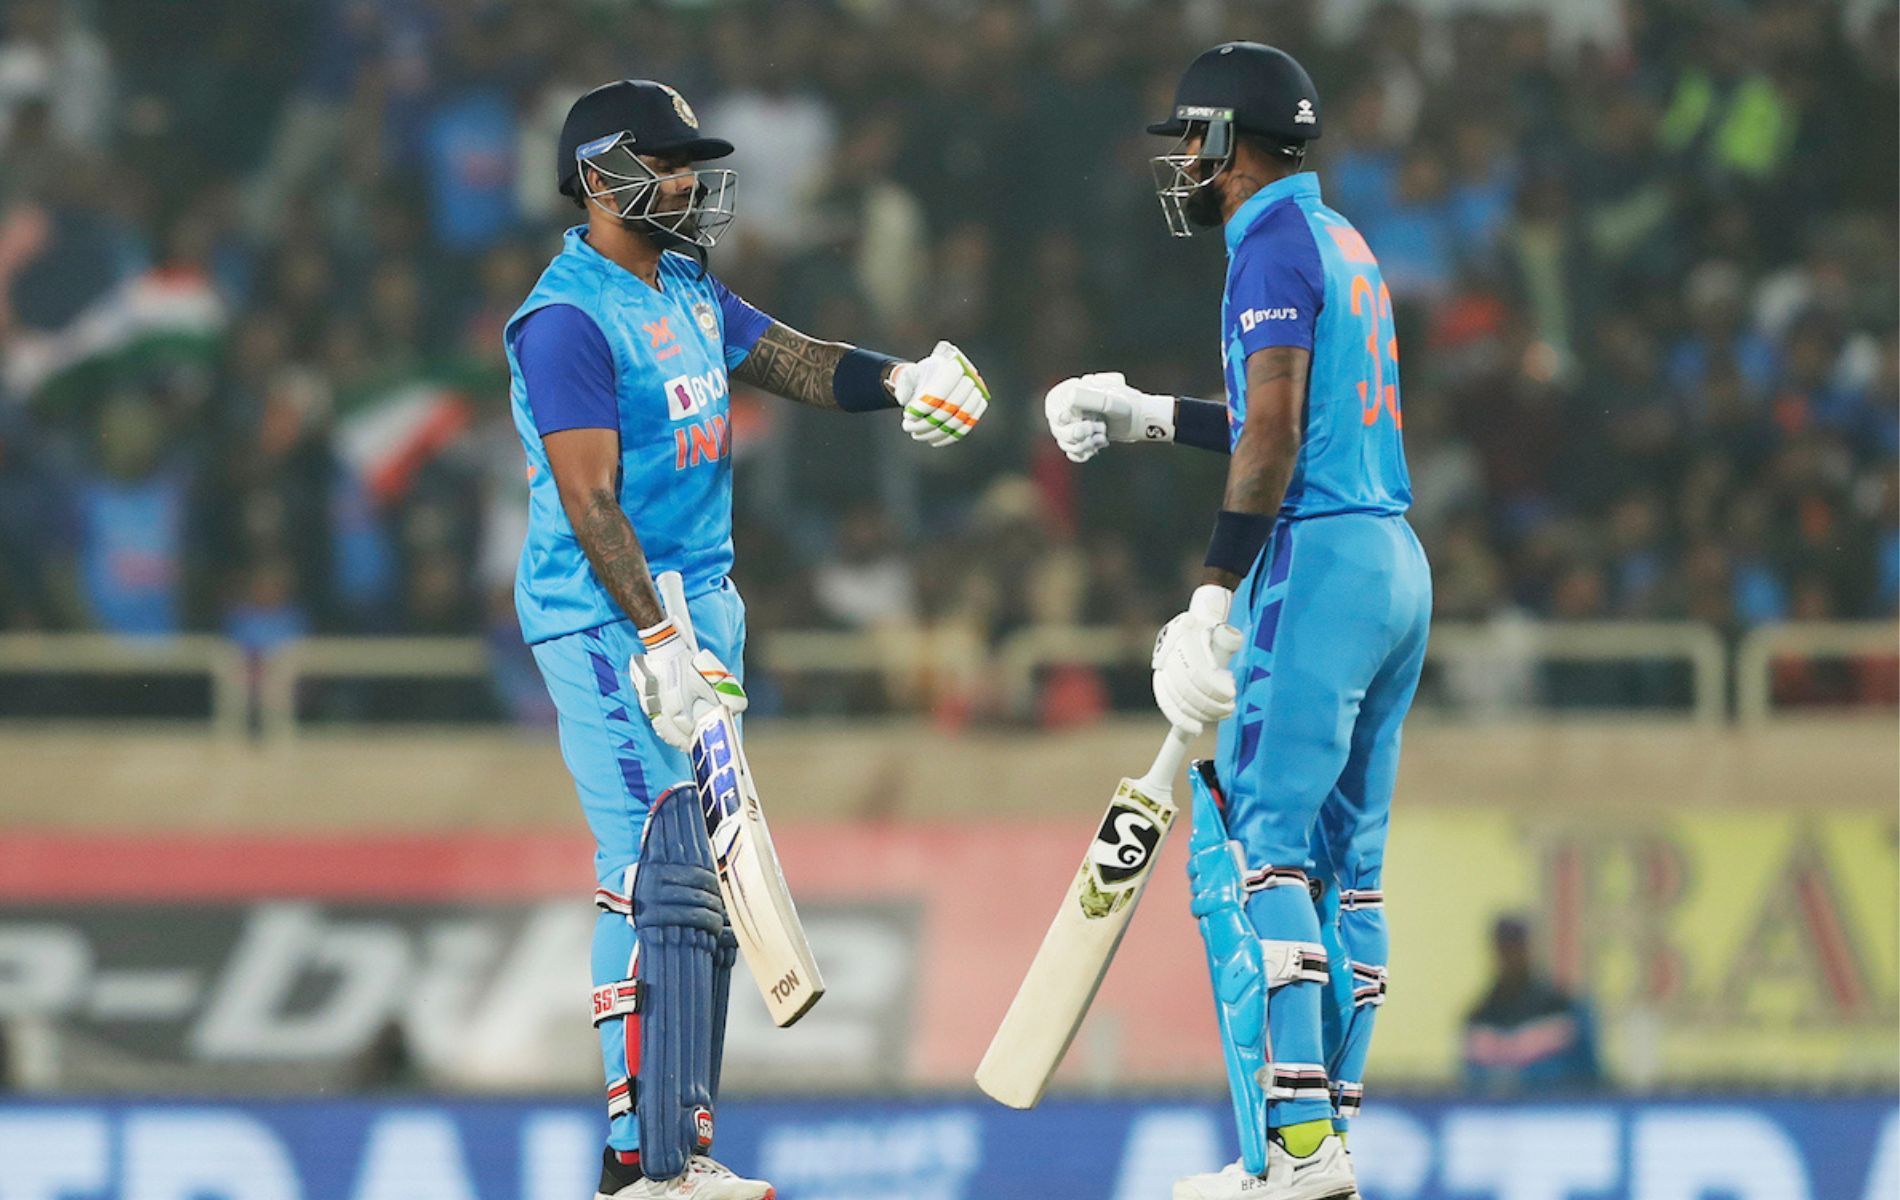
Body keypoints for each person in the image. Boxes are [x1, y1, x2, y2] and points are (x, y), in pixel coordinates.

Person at [506, 80, 989, 1200]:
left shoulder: (681, 282)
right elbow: (589, 505)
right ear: (597, 178)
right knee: (646, 867)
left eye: (688, 161)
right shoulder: (566, 316)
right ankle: (639, 1163)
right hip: (603, 616)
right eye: (665, 163)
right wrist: (655, 636)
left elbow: (791, 362)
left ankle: (683, 1147)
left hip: (698, 606)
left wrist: (899, 379)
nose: (687, 181)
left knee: (705, 880)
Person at [1044, 42, 1431, 1200]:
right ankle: (1330, 1140)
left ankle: (1295, 1151)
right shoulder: (1343, 238)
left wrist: (1214, 589)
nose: (1183, 166)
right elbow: (1296, 416)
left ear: (1224, 139)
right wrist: (1142, 413)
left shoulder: (1265, 235)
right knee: (1348, 873)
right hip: (1394, 562)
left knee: (1265, 847)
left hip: (1313, 561)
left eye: (1189, 143)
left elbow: (1272, 434)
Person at [1461, 915, 1602, 1094]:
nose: (1511, 957)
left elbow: (1591, 1077)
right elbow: (1471, 1083)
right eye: (1505, 949)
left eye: (1517, 948)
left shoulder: (1564, 1010)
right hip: (1498, 1119)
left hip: (1557, 1114)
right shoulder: (1480, 1018)